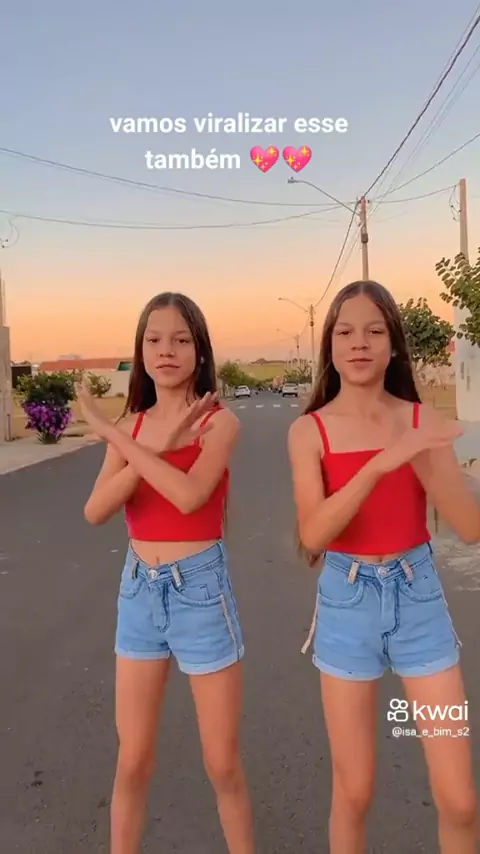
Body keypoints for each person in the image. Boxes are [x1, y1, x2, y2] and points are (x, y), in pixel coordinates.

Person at [287, 280, 480, 854]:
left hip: (419, 602)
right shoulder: (310, 430)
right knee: (354, 791)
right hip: (346, 604)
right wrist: (378, 465)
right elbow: (313, 535)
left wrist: (419, 452)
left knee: (460, 800)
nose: (359, 343)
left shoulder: (421, 420)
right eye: (345, 332)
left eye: (374, 331)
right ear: (329, 346)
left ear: (393, 344)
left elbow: (468, 526)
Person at [76, 292, 255, 854]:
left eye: (180, 339)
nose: (166, 350)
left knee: (221, 762)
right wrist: (145, 442)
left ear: (200, 350)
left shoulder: (219, 422)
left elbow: (189, 496)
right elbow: (96, 510)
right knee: (132, 759)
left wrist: (124, 441)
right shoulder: (133, 424)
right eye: (154, 340)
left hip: (200, 589)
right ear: (141, 351)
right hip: (139, 591)